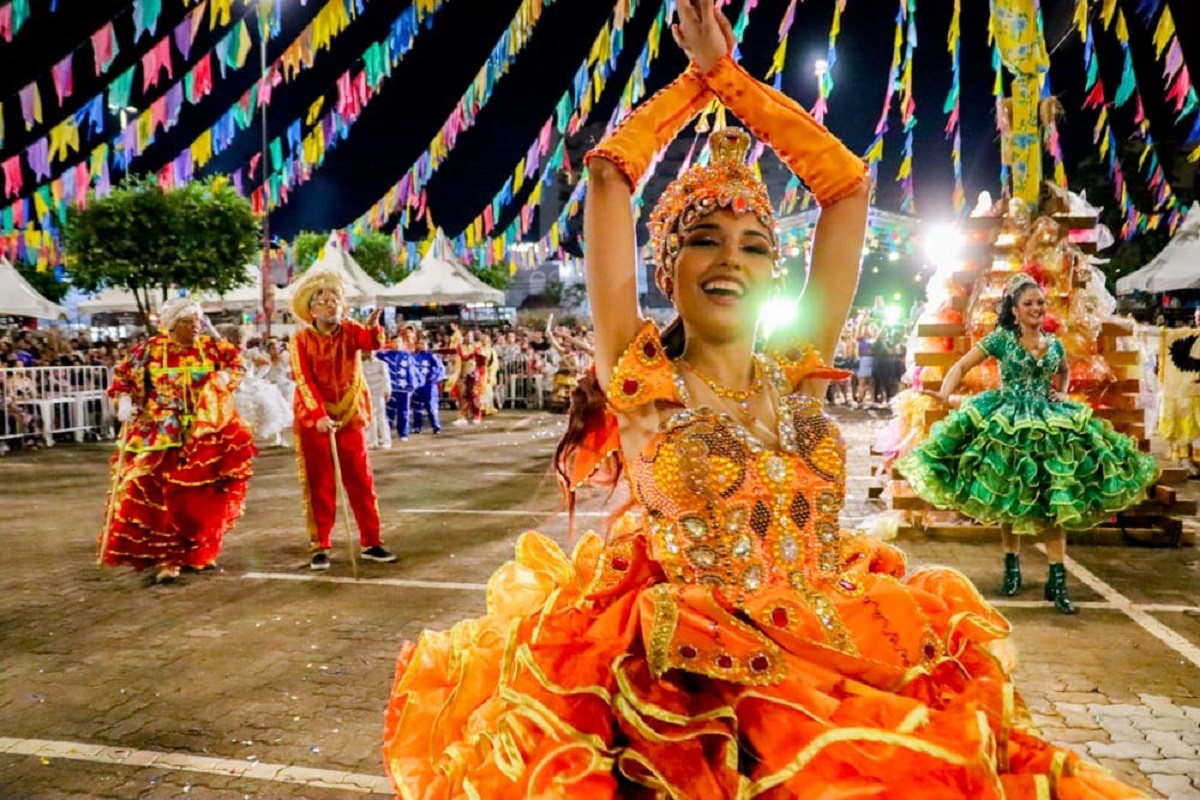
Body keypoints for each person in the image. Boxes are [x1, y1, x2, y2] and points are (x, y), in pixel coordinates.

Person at [382, 4, 1143, 797]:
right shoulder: (644, 380)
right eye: (703, 240)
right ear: (667, 266)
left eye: (753, 246)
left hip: (843, 644)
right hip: (694, 692)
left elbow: (846, 188)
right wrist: (695, 81)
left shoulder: (795, 366)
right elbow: (608, 177)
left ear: (774, 272)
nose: (730, 261)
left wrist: (732, 79)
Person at [898, 273, 1159, 614]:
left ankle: (1057, 581)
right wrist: (946, 395)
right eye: (1029, 303)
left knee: (1055, 501)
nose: (1036, 308)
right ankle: (1012, 569)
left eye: (1040, 303)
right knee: (1010, 495)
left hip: (1050, 422)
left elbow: (1063, 371)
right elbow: (962, 365)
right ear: (1015, 310)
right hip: (1008, 422)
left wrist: (1061, 392)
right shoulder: (1001, 340)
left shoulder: (1054, 344)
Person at [100, 298, 255, 584]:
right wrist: (124, 400)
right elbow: (123, 376)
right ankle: (167, 558)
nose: (195, 326)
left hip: (203, 431)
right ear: (171, 325)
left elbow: (237, 364)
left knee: (201, 494)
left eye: (197, 321)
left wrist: (225, 378)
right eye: (188, 322)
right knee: (161, 494)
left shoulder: (211, 347)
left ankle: (198, 550)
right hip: (161, 431)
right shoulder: (150, 350)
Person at [288, 267, 398, 570]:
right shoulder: (300, 340)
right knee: (319, 484)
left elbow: (371, 343)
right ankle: (320, 545)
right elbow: (303, 380)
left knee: (361, 481)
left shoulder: (350, 330)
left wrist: (374, 328)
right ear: (312, 310)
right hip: (314, 421)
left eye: (335, 300)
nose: (331, 305)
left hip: (350, 415)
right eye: (324, 301)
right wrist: (318, 415)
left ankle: (371, 541)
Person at [410, 336, 445, 435]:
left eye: (423, 344)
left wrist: (434, 378)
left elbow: (440, 369)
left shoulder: (432, 356)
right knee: (417, 407)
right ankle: (417, 427)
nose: (421, 346)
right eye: (419, 344)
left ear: (427, 345)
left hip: (429, 386)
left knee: (431, 406)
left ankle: (436, 426)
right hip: (417, 386)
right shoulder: (413, 357)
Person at [361, 350, 393, 450]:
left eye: (371, 351)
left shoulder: (381, 364)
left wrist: (387, 391)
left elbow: (386, 378)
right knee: (370, 418)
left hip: (379, 393)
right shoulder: (361, 364)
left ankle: (386, 440)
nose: (369, 353)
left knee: (381, 417)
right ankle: (372, 441)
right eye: (367, 352)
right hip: (367, 393)